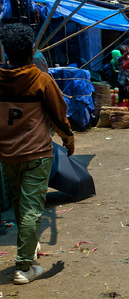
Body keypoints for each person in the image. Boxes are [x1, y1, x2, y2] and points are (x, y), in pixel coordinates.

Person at [0, 24, 76, 285]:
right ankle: (23, 267)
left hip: (7, 154)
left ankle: (28, 249)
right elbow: (58, 114)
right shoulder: (41, 79)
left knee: (21, 204)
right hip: (36, 153)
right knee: (33, 207)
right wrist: (68, 137)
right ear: (32, 50)